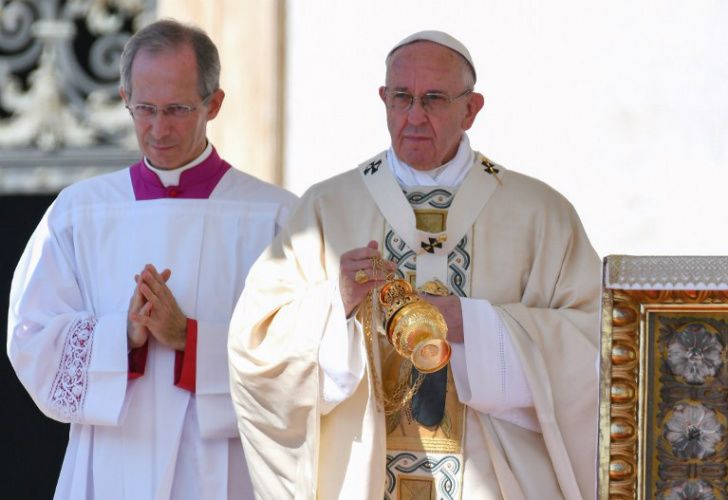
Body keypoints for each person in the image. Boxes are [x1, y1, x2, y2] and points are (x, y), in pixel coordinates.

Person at [228, 30, 600, 500]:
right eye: (401, 98)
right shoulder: (326, 207)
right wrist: (334, 304)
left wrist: (477, 325)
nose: (414, 116)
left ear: (472, 108)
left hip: (496, 478)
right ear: (383, 99)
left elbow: (595, 344)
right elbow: (255, 346)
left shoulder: (539, 213)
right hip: (364, 476)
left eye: (434, 99)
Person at [7, 19, 296, 500]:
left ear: (214, 103)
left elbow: (303, 353)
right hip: (111, 462)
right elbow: (31, 338)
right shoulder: (79, 213)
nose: (158, 129)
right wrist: (123, 335)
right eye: (144, 109)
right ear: (124, 97)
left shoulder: (277, 217)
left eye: (178, 109)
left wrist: (190, 339)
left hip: (227, 469)